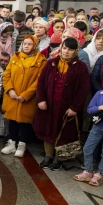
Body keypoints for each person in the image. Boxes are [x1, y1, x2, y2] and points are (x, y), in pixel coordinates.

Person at [34, 37, 90, 170]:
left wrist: (75, 107)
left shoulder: (81, 67)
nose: (66, 52)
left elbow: (84, 89)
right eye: (64, 48)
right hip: (49, 105)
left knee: (64, 132)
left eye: (70, 49)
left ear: (76, 51)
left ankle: (59, 158)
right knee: (48, 130)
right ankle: (48, 156)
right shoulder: (51, 63)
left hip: (67, 107)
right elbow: (41, 82)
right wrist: (41, 99)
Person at [1, 35, 47, 158]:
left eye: (29, 44)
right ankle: (11, 143)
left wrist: (26, 95)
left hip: (28, 97)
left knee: (25, 121)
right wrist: (10, 90)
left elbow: (39, 80)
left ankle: (22, 144)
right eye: (25, 43)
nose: (26, 46)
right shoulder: (15, 57)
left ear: (35, 46)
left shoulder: (41, 60)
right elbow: (6, 75)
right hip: (13, 96)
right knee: (13, 120)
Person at [73, 69, 103, 186]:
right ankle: (88, 170)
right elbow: (90, 109)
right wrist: (100, 107)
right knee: (87, 148)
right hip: (97, 126)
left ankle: (99, 174)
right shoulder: (99, 94)